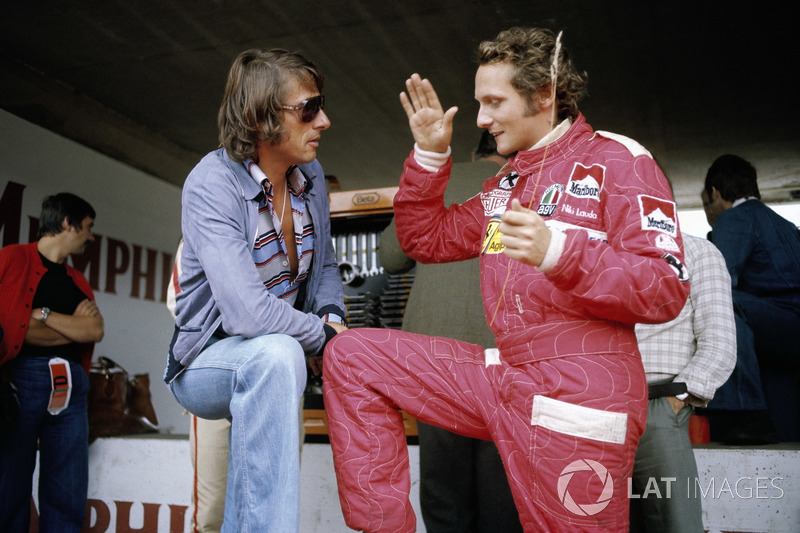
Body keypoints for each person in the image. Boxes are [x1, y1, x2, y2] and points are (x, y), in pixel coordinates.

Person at [323, 27, 689, 533]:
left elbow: (666, 287)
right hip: (506, 375)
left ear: (544, 95)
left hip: (581, 396)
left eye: (494, 101)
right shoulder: (510, 183)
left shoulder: (620, 160)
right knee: (351, 357)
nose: (480, 118)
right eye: (478, 102)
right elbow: (426, 239)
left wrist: (559, 253)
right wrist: (429, 157)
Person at [165, 48, 347, 532]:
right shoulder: (211, 184)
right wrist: (324, 338)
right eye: (307, 109)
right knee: (276, 354)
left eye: (320, 104)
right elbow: (246, 314)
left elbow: (325, 262)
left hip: (281, 355)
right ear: (257, 117)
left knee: (280, 354)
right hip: (208, 361)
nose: (323, 120)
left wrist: (333, 316)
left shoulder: (310, 177)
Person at [379, 130, 522, 533]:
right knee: (502, 500)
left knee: (445, 500)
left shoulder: (440, 183)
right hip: (505, 362)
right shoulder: (533, 186)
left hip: (434, 359)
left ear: (476, 151)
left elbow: (391, 256)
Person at [0, 192, 104, 533]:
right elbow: (17, 330)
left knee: (68, 490)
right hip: (20, 384)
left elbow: (94, 330)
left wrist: (43, 316)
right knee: (9, 486)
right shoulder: (11, 260)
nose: (90, 236)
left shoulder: (78, 280)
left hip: (72, 391)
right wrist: (71, 329)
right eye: (87, 227)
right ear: (66, 223)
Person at [629, 232, 736, 532]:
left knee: (675, 524)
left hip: (659, 407)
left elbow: (720, 343)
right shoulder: (595, 249)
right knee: (594, 520)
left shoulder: (697, 251)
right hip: (597, 406)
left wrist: (674, 401)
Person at [701, 154, 800, 443]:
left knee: (721, 299)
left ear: (715, 193)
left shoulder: (735, 217)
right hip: (782, 330)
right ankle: (779, 432)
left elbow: (720, 282)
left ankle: (745, 409)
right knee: (778, 397)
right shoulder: (783, 224)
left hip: (785, 322)